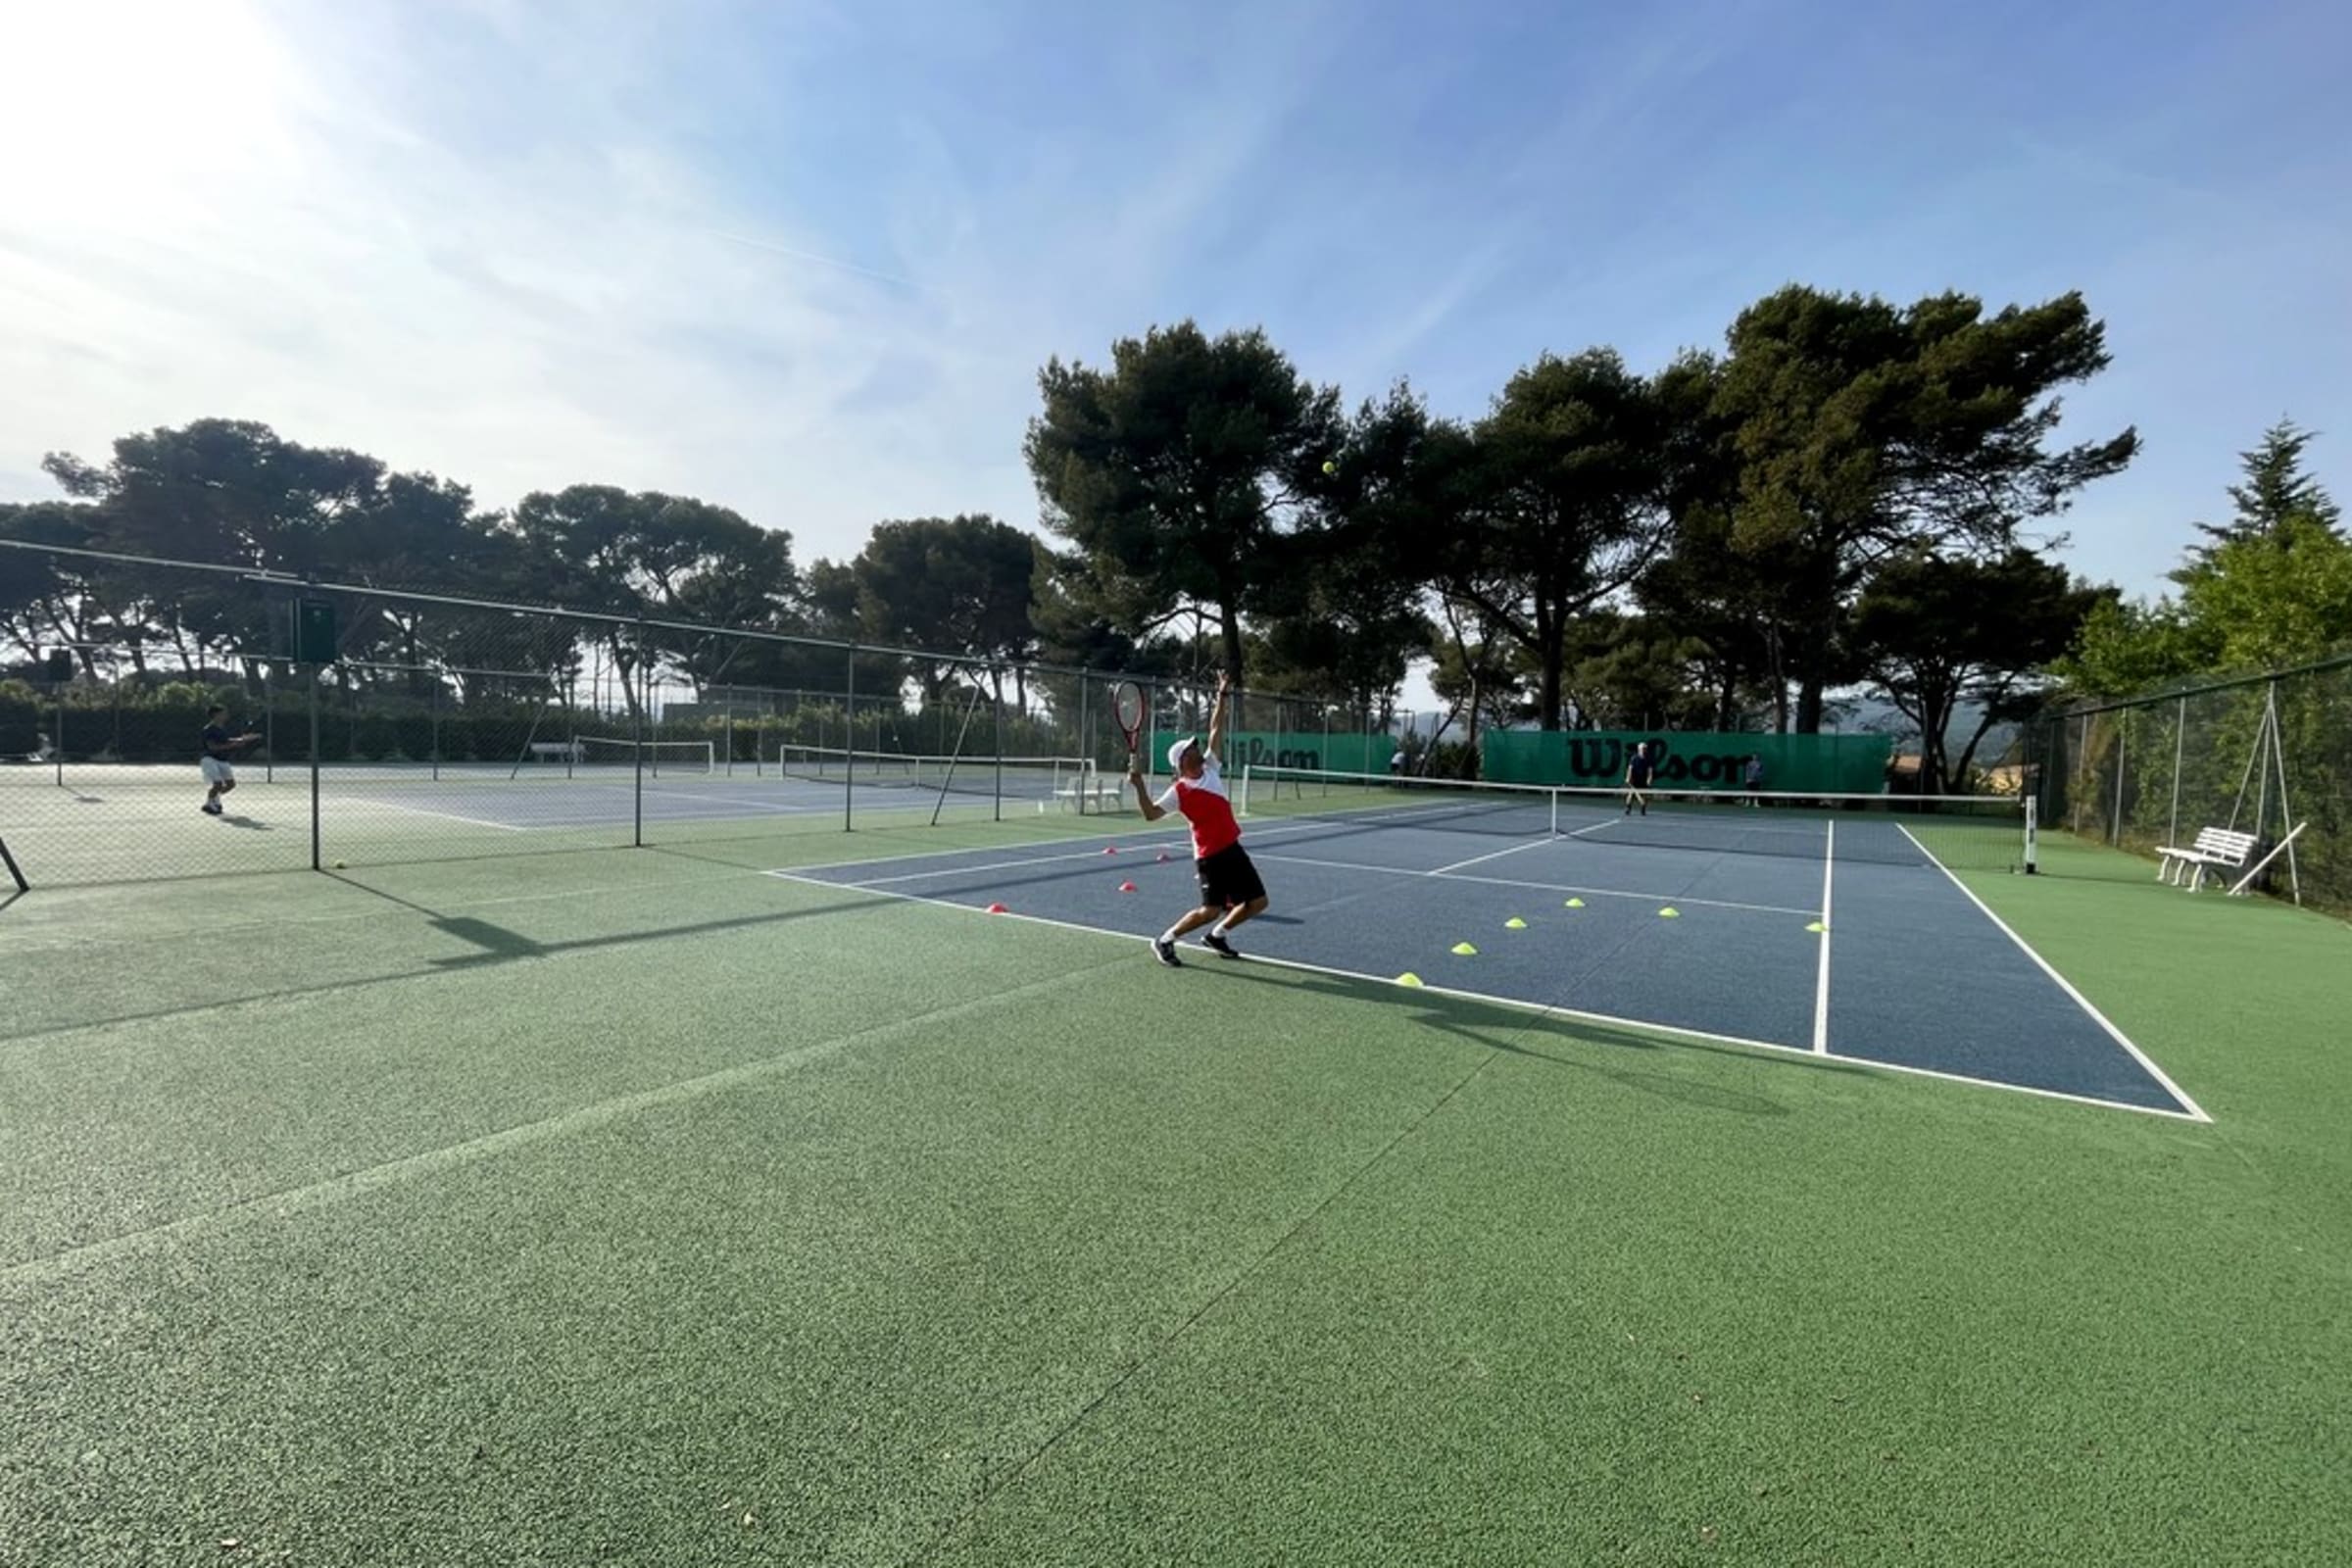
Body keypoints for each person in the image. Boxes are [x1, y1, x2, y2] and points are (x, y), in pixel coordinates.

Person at [1126, 673, 1269, 966]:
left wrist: (1222, 695)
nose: (1198, 748)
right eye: (1192, 748)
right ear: (1183, 761)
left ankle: (1217, 935)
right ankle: (1165, 940)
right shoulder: (1179, 792)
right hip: (1210, 857)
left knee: (1258, 902)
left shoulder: (1211, 767)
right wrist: (1139, 786)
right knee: (1210, 910)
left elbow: (1216, 727)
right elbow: (1151, 815)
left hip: (1232, 849)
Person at [200, 705, 260, 816]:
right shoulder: (208, 729)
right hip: (209, 759)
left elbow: (227, 740)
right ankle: (210, 804)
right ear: (216, 715)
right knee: (217, 784)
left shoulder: (222, 728)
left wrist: (242, 739)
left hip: (223, 759)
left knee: (231, 784)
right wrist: (233, 745)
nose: (226, 715)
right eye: (223, 713)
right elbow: (212, 747)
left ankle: (213, 800)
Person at [1623, 739, 1658, 815]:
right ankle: (1628, 808)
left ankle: (1643, 808)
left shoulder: (1648, 759)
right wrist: (1628, 777)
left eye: (1645, 749)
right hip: (1634, 779)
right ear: (1639, 749)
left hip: (1643, 779)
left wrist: (1649, 779)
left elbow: (1650, 770)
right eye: (1642, 748)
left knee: (1644, 795)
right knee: (1631, 794)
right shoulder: (1634, 758)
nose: (1644, 750)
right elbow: (1630, 768)